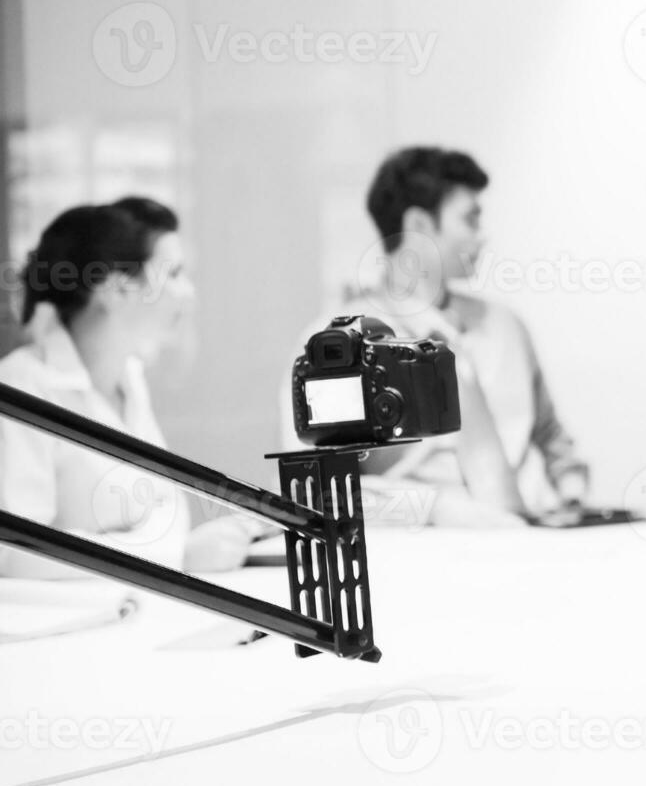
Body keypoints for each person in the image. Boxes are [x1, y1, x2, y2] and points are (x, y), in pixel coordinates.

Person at [282, 146, 590, 529]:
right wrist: (433, 510)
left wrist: (572, 497)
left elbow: (550, 435)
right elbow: (319, 491)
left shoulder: (506, 325)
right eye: (470, 219)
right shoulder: (333, 346)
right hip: (426, 551)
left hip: (538, 535)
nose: (482, 236)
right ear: (420, 224)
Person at [0, 198, 255, 579]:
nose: (188, 292)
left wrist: (167, 550)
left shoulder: (129, 378)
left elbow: (168, 510)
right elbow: (15, 558)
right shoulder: (20, 387)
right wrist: (172, 557)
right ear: (115, 289)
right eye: (174, 274)